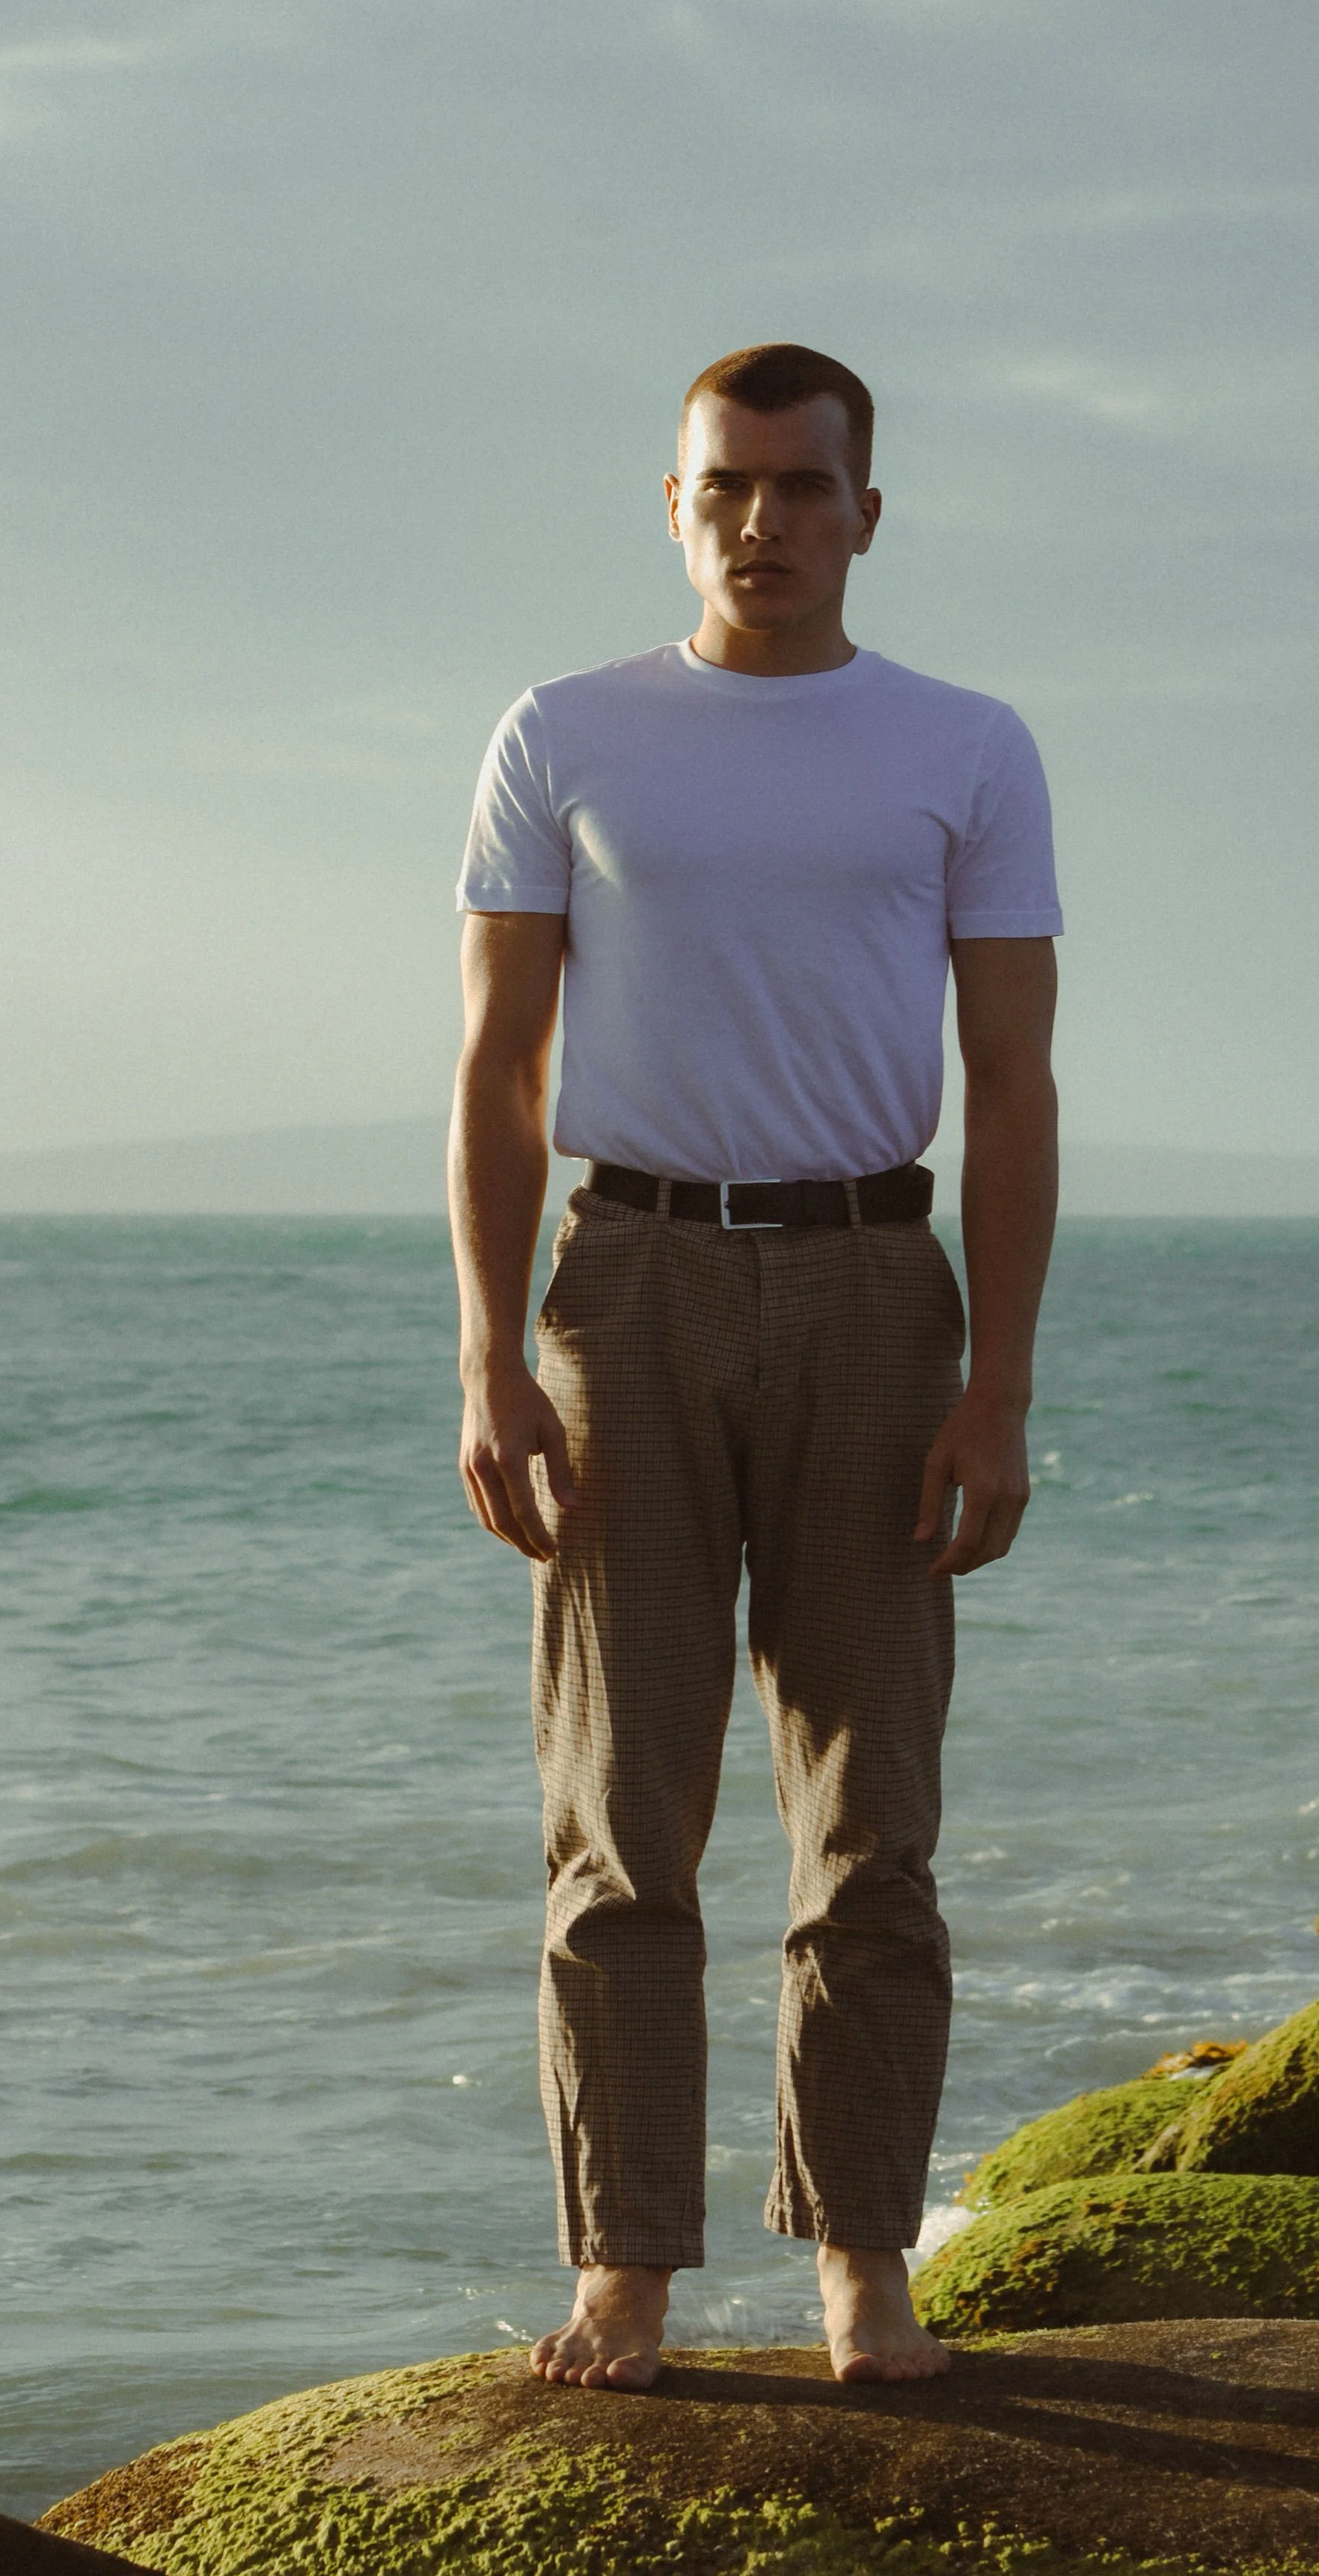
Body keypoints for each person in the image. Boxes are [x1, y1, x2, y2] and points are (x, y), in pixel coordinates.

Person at [449, 342, 1060, 2392]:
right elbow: (498, 1068)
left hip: (881, 1288)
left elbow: (1011, 1076)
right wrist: (488, 1354)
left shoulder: (964, 745)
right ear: (676, 501)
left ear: (865, 514)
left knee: (871, 1811)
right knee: (622, 1816)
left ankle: (862, 2262)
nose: (764, 525)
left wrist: (1002, 1385)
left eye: (805, 491)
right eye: (728, 489)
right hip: (624, 1286)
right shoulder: (567, 732)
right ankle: (624, 2266)